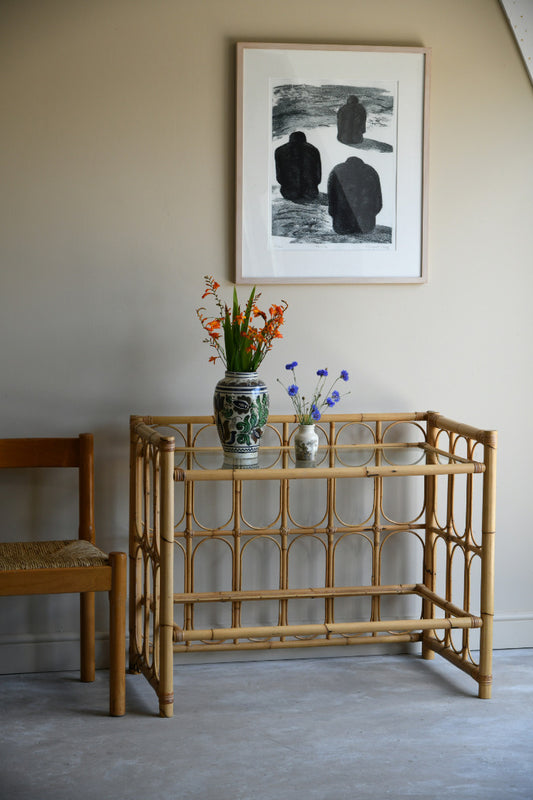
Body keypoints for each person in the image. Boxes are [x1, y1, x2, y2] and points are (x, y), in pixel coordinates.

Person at [327, 156, 382, 235]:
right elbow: (378, 203)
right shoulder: (371, 171)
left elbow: (331, 198)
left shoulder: (337, 170)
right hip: (366, 226)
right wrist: (371, 214)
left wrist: (333, 214)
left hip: (341, 226)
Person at [274, 131, 322, 202]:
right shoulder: (314, 150)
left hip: (289, 193)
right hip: (310, 193)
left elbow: (279, 177)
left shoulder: (279, 151)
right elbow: (318, 177)